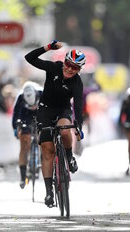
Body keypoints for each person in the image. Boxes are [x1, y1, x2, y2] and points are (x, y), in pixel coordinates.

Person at [25, 40, 85, 207]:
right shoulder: (54, 68)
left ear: (79, 70)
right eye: (68, 64)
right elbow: (29, 58)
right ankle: (49, 192)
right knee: (48, 151)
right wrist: (48, 47)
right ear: (64, 61)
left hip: (63, 110)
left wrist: (79, 125)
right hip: (45, 109)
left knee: (65, 131)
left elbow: (79, 104)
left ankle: (69, 156)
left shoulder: (77, 82)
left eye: (75, 68)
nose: (69, 69)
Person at [12, 81, 43, 189]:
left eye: (34, 104)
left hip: (41, 114)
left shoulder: (42, 93)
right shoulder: (20, 98)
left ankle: (42, 159)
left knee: (44, 139)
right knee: (24, 145)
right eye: (31, 105)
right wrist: (16, 128)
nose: (33, 106)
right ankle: (22, 176)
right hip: (26, 116)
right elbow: (15, 114)